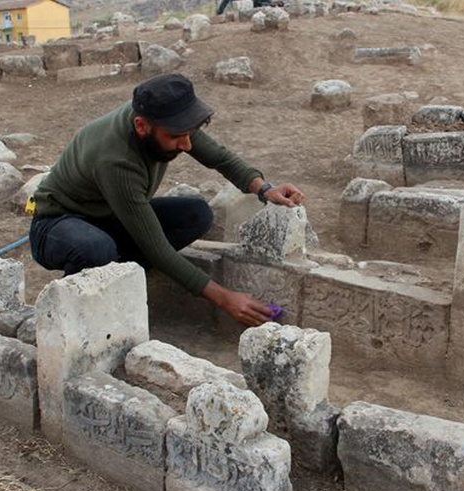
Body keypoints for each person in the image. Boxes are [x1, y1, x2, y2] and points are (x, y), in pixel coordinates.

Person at [29, 73, 304, 327]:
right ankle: (70, 313)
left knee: (197, 215)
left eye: (188, 134)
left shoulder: (166, 118)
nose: (186, 145)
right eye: (176, 137)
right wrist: (225, 299)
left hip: (110, 218)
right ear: (141, 127)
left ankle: (121, 276)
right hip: (58, 225)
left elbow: (219, 156)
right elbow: (157, 249)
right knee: (96, 249)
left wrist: (265, 189)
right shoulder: (116, 160)